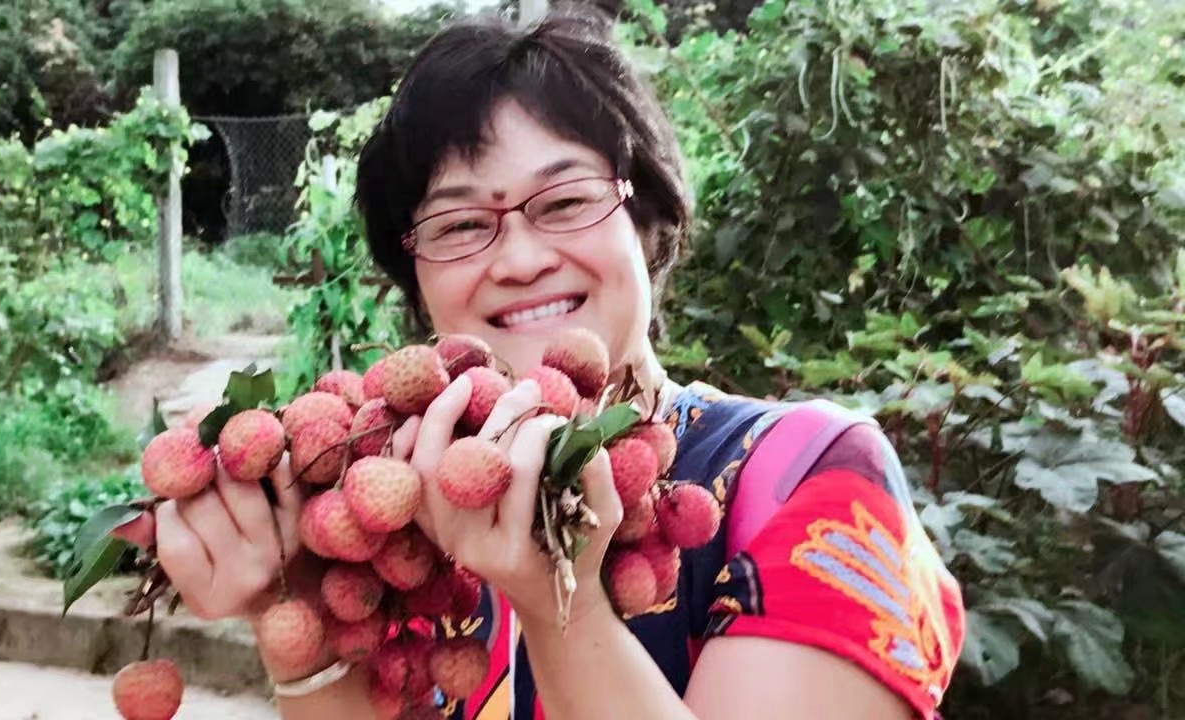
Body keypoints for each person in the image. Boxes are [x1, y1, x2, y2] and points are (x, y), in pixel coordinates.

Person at [116, 11, 966, 719]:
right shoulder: (400, 526)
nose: (521, 259)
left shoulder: (811, 481)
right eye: (459, 225)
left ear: (648, 222)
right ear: (417, 280)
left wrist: (561, 604)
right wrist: (295, 603)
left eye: (564, 201)